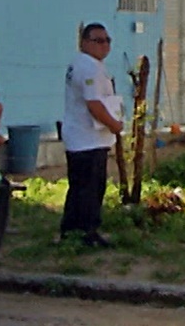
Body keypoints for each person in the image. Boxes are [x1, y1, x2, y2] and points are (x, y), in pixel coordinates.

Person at [60, 23, 124, 248]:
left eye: (107, 40)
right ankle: (88, 232)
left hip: (82, 136)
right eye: (98, 40)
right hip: (88, 137)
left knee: (78, 186)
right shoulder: (89, 67)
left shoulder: (83, 64)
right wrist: (115, 125)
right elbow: (94, 104)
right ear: (85, 43)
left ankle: (71, 230)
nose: (104, 45)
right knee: (91, 188)